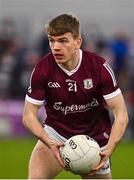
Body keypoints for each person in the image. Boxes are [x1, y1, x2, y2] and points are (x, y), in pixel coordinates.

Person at [22, 13, 128, 179]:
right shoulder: (42, 69)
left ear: (78, 42)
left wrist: (110, 146)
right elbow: (28, 115)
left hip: (94, 141)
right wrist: (49, 142)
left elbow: (121, 113)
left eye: (63, 40)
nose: (56, 47)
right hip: (56, 135)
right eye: (52, 40)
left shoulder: (99, 67)